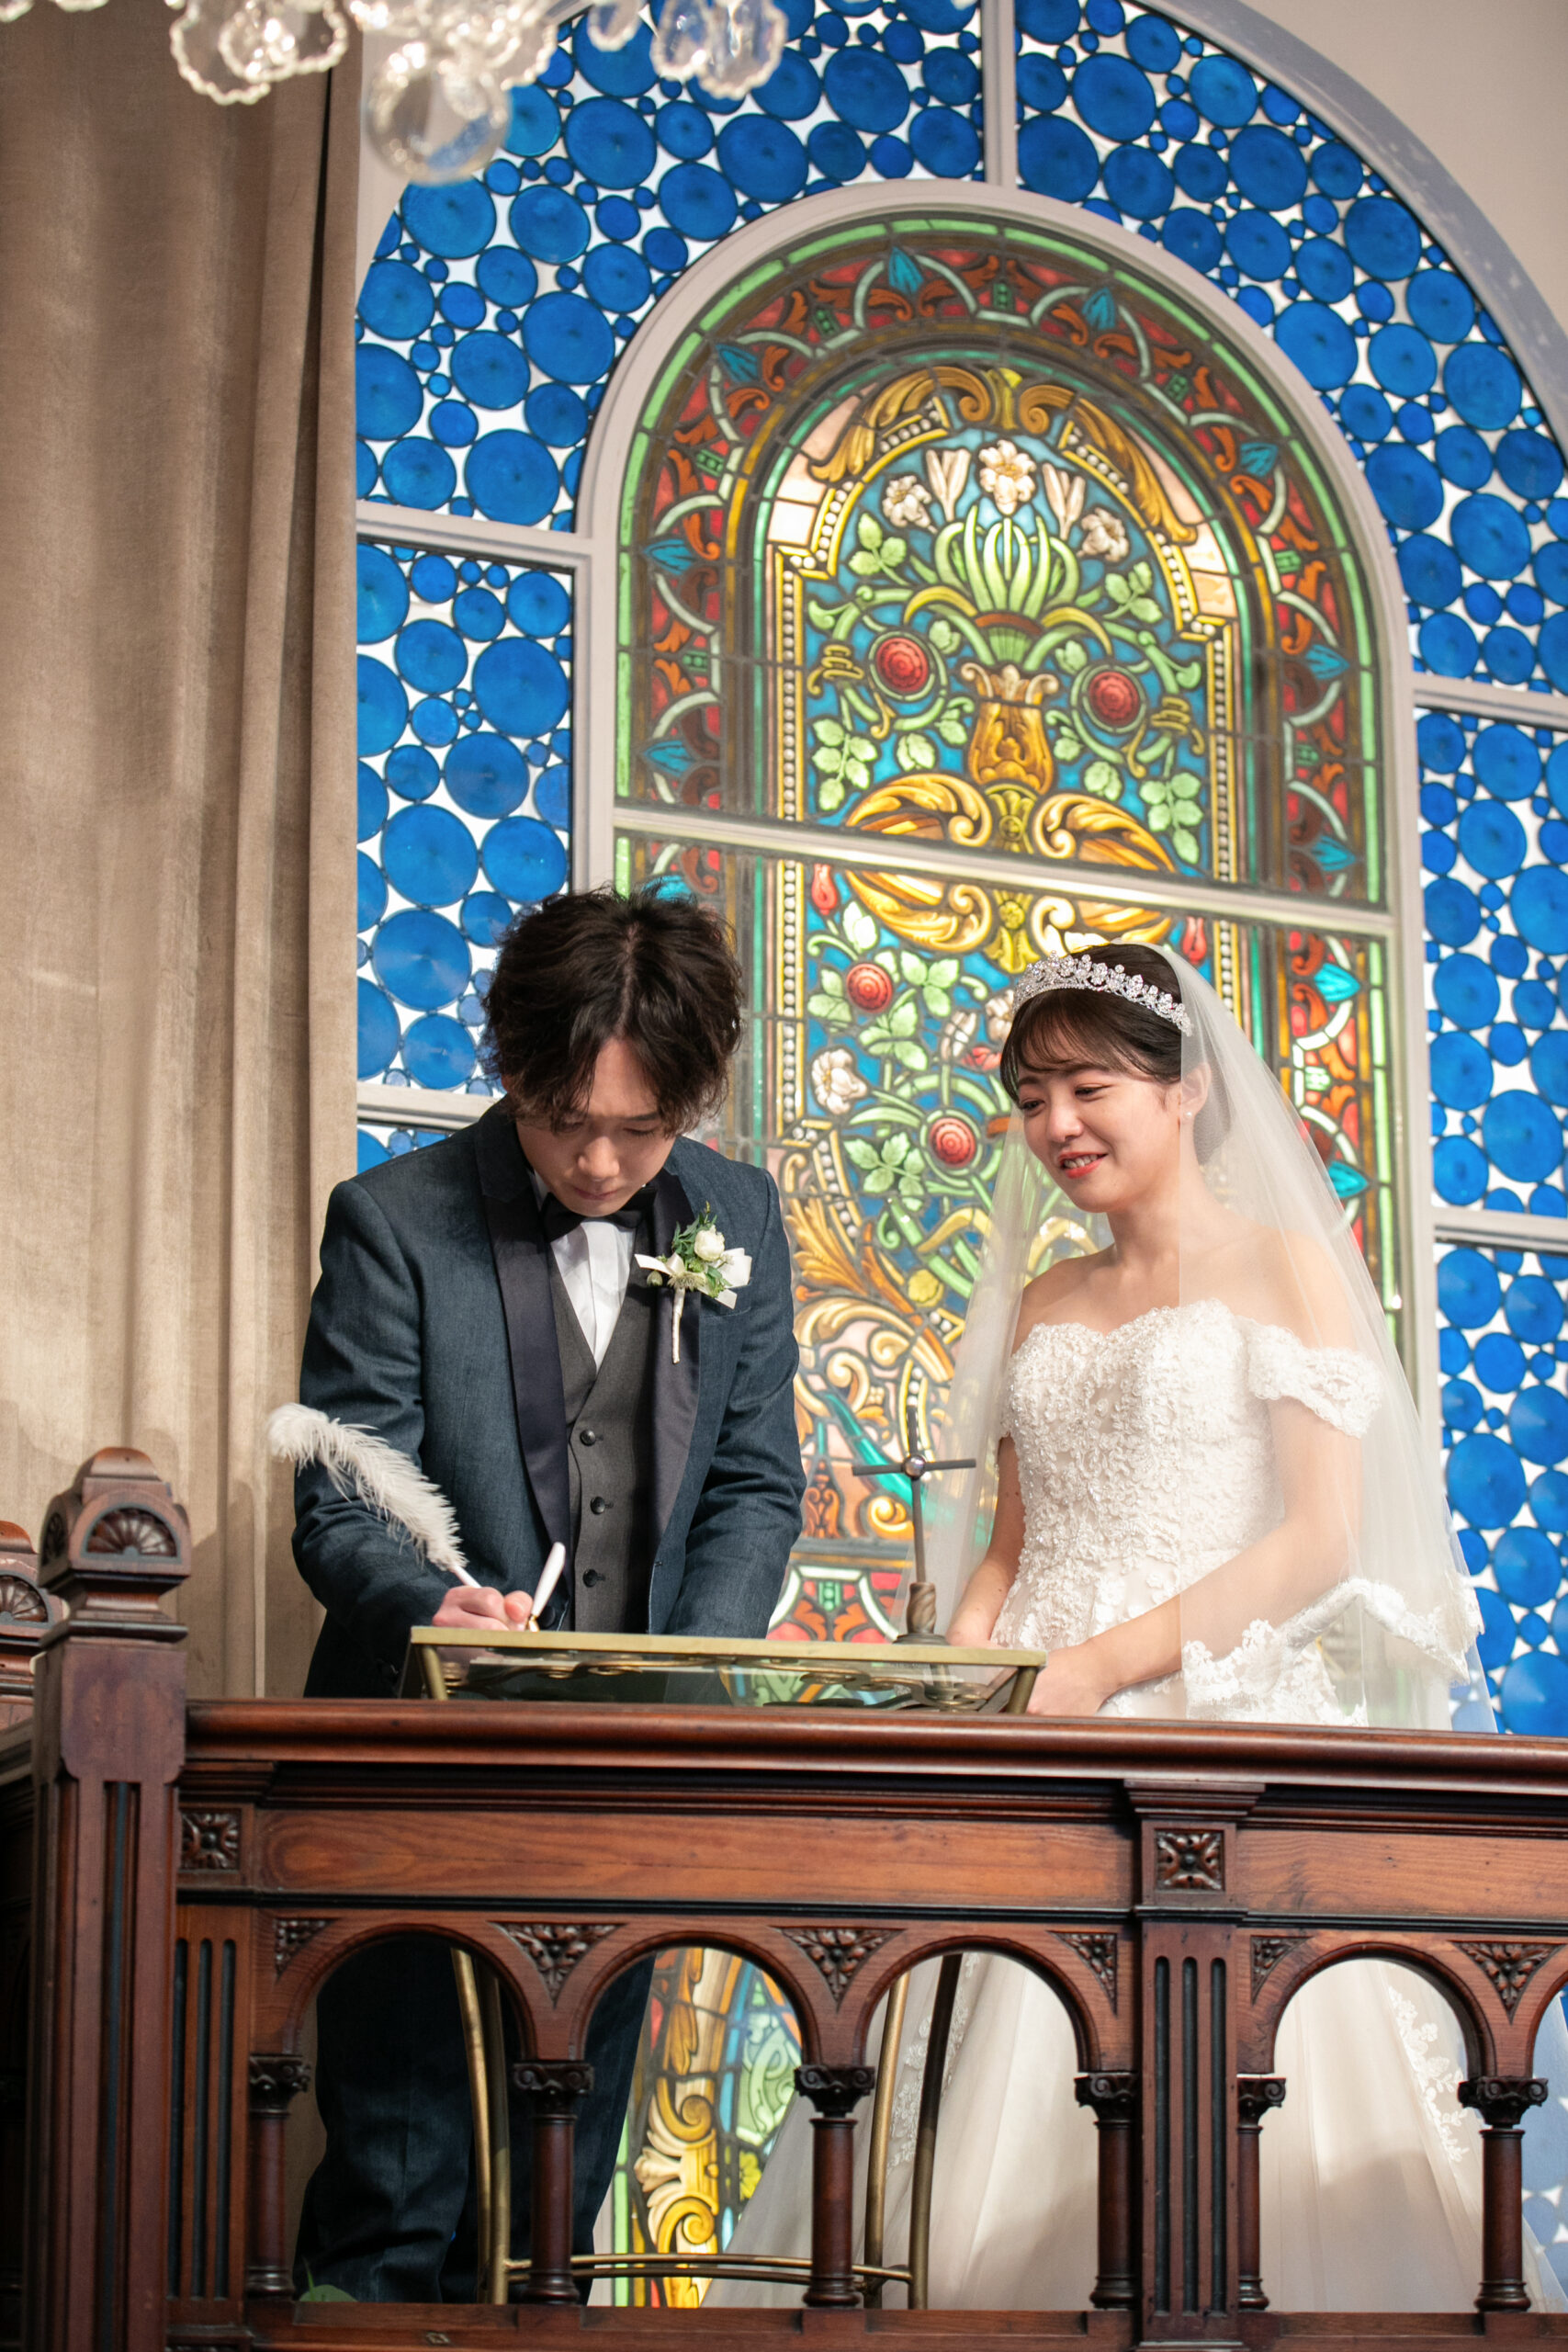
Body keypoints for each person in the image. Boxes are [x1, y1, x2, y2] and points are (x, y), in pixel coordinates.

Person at [716, 941, 1568, 2312]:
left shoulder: (1289, 1270)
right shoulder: (1046, 1301)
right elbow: (1010, 1548)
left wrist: (1106, 1665)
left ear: (1187, 1091)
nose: (1056, 1125)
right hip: (1038, 1734)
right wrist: (963, 1684)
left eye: (1089, 1088)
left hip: (1213, 1723)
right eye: (1031, 1099)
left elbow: (1318, 1539)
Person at [288, 886, 806, 2302]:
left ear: (690, 1103)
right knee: (398, 2187)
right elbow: (340, 1493)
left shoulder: (742, 1218)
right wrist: (427, 1605)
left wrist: (681, 1678)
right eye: (564, 1119)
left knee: (554, 2202)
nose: (598, 1160)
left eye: (642, 1130)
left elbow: (755, 1486)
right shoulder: (392, 1221)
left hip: (632, 1785)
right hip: (415, 1779)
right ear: (509, 1065)